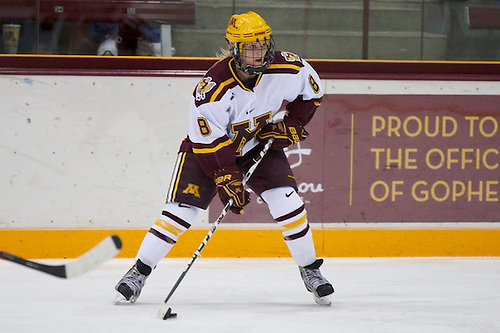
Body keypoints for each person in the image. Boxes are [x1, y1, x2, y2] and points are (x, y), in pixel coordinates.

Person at [114, 11, 334, 306]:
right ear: (235, 49)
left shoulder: (288, 67)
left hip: (257, 144)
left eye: (263, 44)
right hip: (208, 152)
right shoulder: (213, 87)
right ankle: (138, 272)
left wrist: (294, 122)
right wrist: (225, 175)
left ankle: (311, 271)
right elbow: (207, 140)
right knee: (180, 213)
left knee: (289, 202)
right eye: (250, 47)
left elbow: (312, 89)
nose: (259, 53)